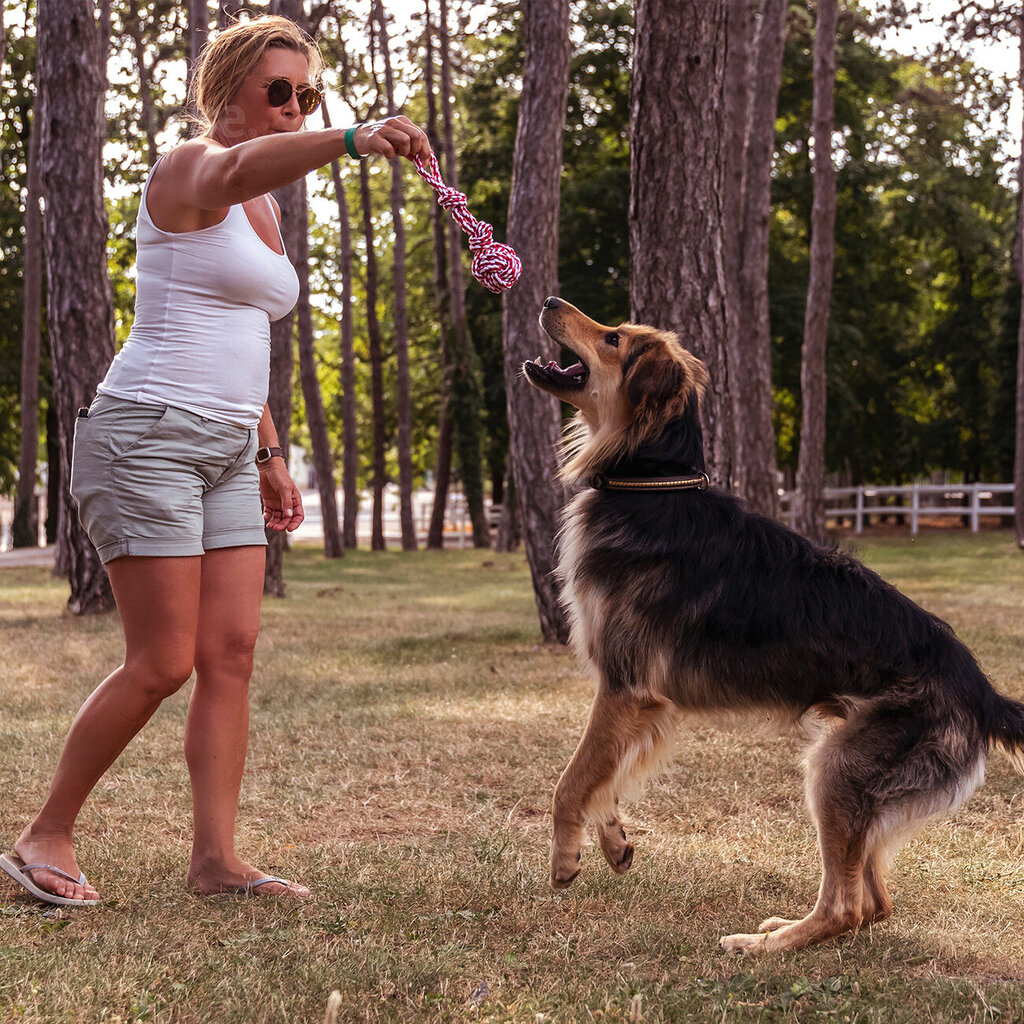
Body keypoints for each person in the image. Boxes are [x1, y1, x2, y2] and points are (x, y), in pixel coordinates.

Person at [0, 15, 431, 904]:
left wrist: (270, 450)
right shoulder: (189, 168)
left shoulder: (265, 204)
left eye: (309, 94)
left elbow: (238, 330)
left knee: (230, 651)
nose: (296, 106)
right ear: (224, 94)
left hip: (232, 443)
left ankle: (215, 862)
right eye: (280, 91)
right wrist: (349, 136)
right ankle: (43, 835)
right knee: (163, 662)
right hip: (147, 431)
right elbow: (234, 168)